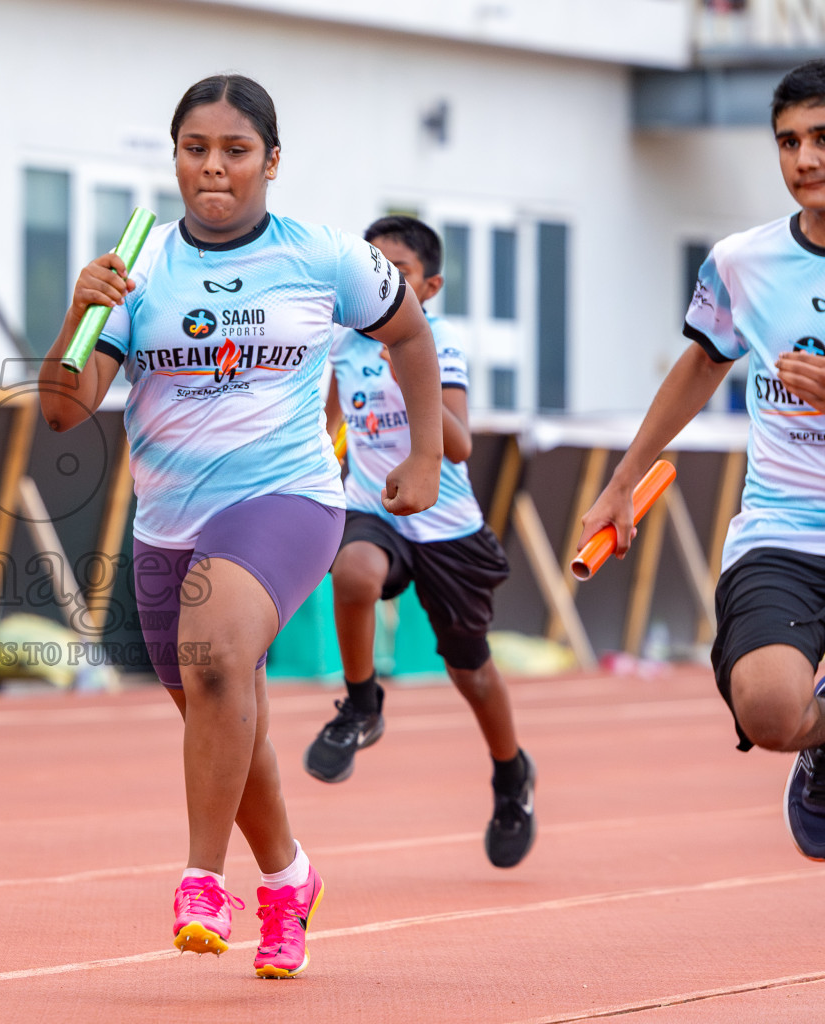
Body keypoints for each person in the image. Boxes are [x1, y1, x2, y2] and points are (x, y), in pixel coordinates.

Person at [38, 75, 445, 978]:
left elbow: (410, 335)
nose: (214, 167)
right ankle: (289, 879)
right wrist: (81, 309)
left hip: (287, 498)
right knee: (222, 711)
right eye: (196, 150)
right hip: (167, 523)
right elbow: (63, 410)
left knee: (219, 659)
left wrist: (425, 455)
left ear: (271, 161)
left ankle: (200, 880)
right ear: (175, 159)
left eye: (236, 150)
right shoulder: (137, 266)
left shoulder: (324, 254)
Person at [578, 59, 825, 862]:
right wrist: (623, 480)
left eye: (822, 138)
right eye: (788, 141)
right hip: (783, 532)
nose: (804, 159)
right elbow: (701, 363)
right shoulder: (742, 263)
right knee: (771, 711)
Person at [302, 216, 536, 869]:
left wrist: (411, 376)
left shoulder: (439, 340)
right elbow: (327, 424)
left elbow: (458, 444)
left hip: (445, 524)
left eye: (397, 272)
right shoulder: (344, 343)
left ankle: (511, 773)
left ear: (429, 287)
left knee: (471, 672)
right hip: (374, 505)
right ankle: (361, 704)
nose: (379, 281)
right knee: (353, 572)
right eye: (370, 267)